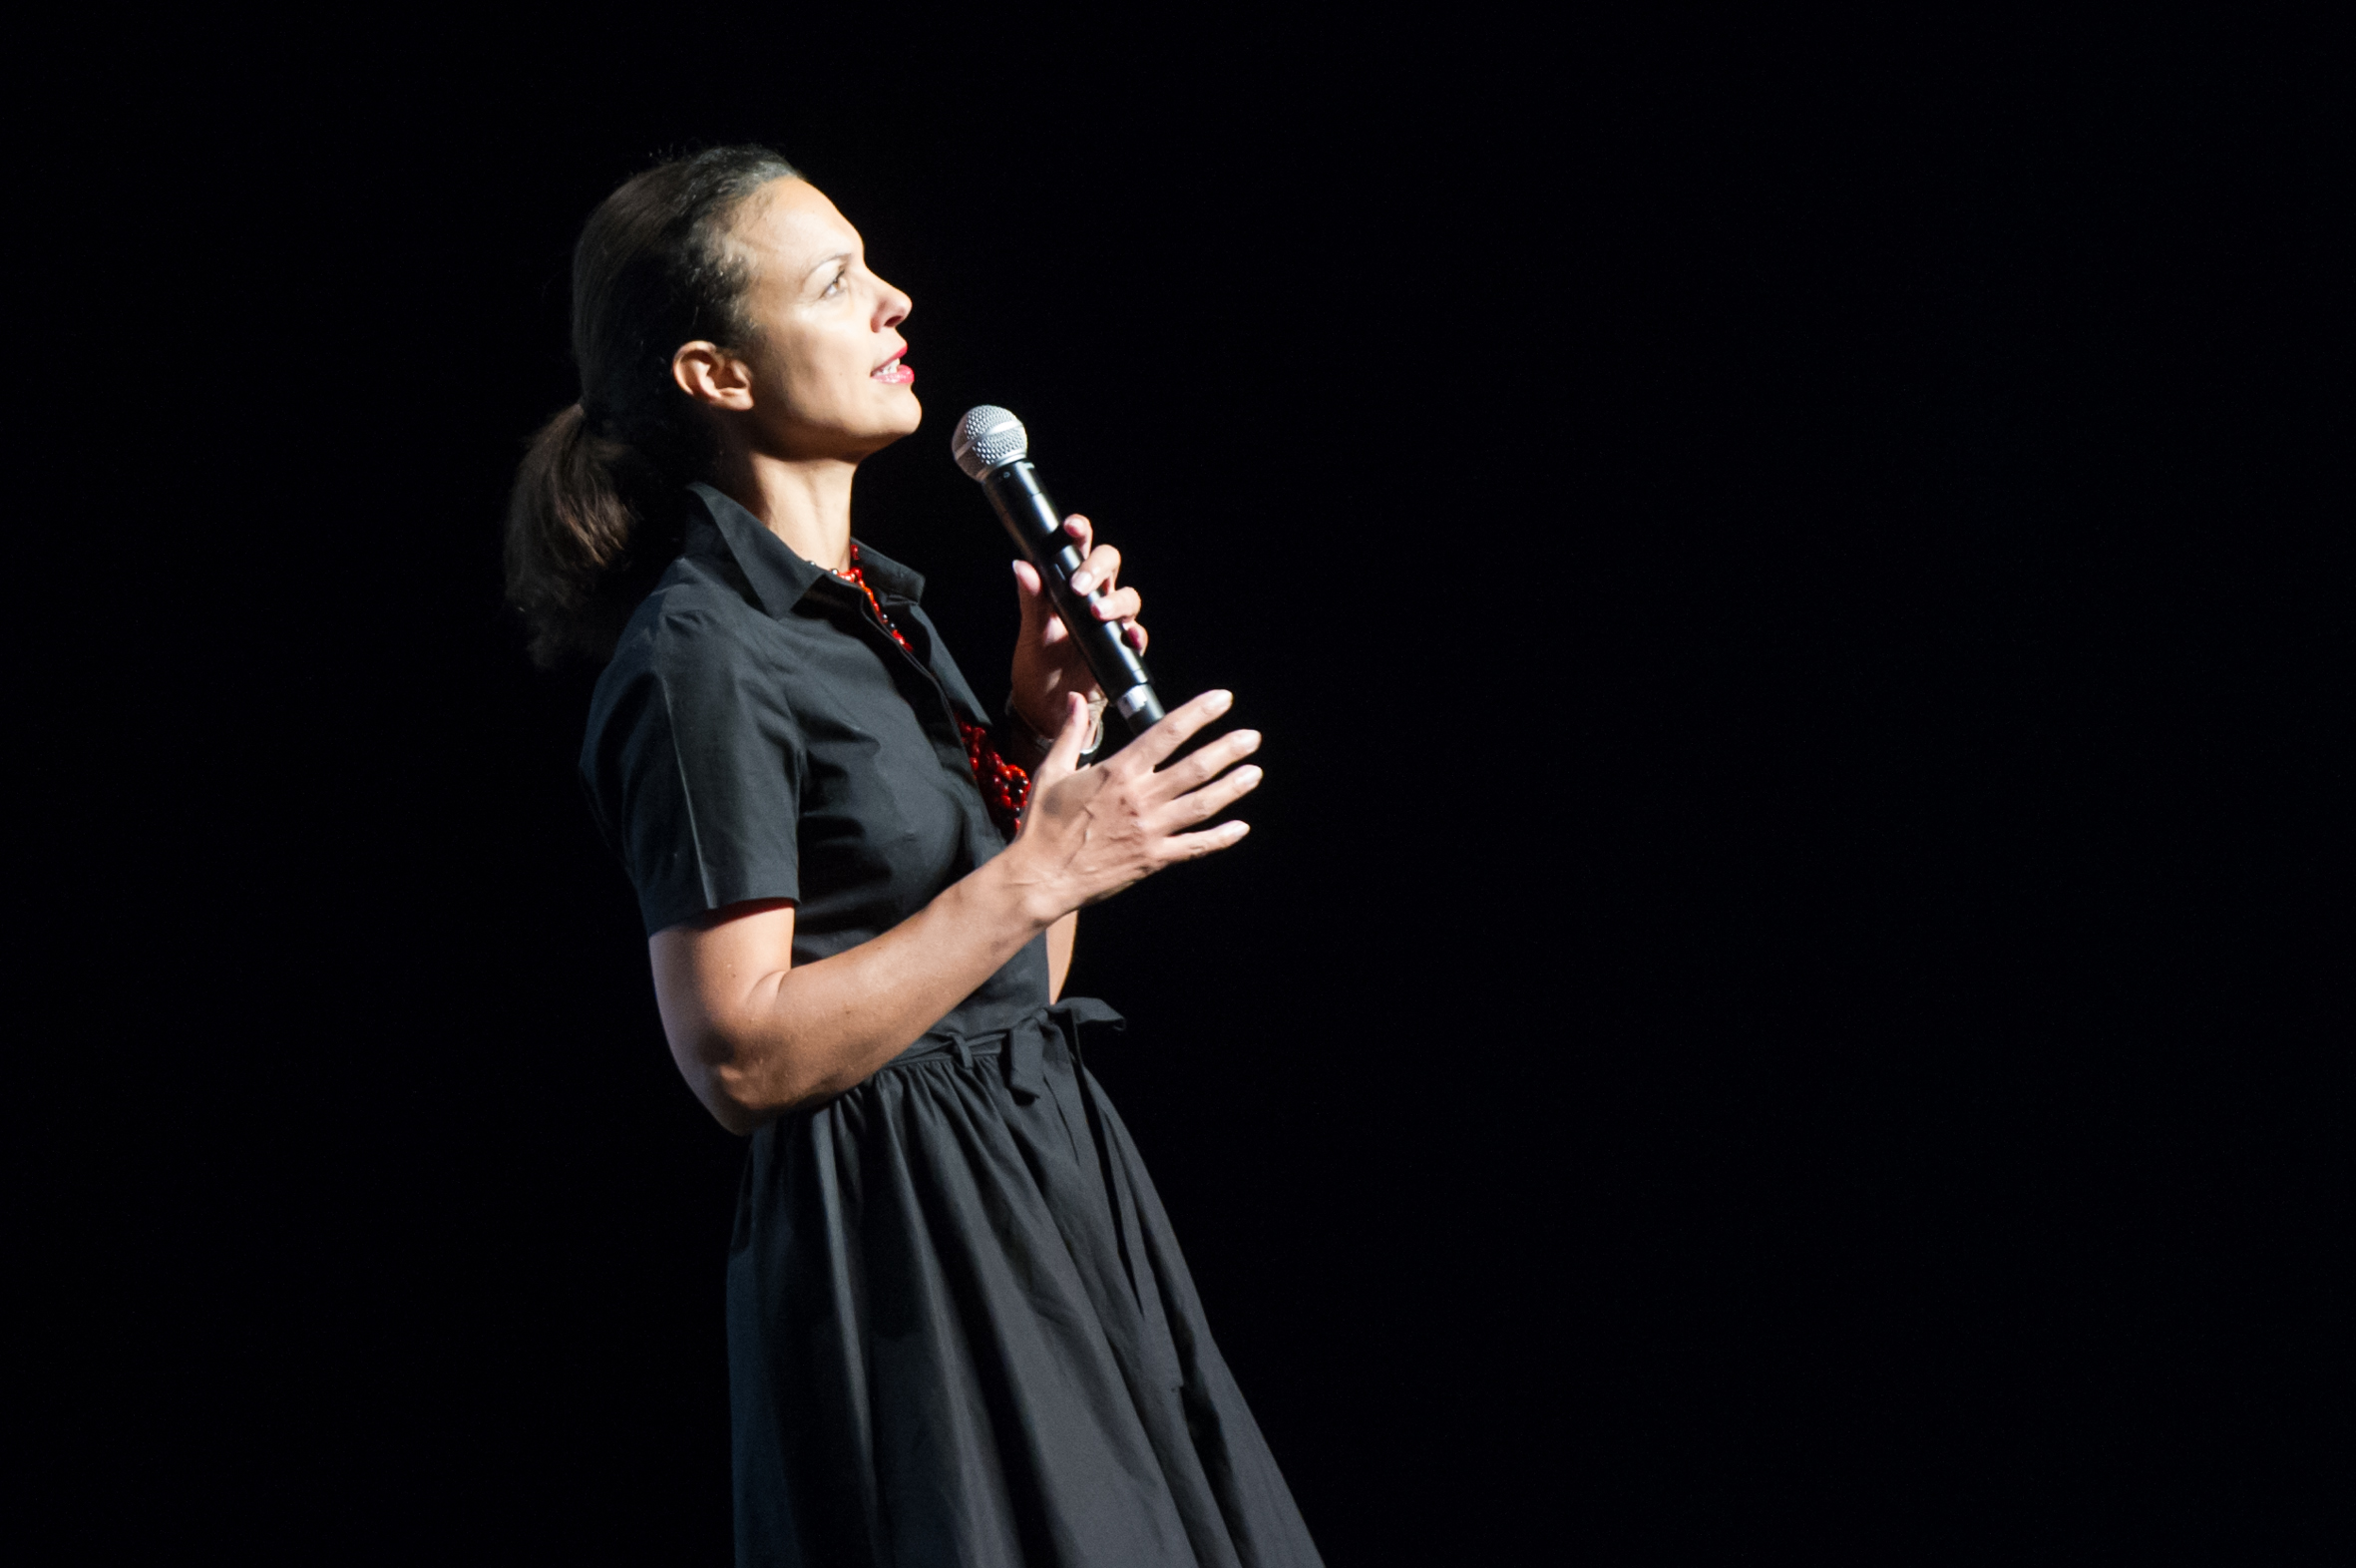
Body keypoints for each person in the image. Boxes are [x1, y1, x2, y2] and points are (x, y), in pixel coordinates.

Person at [505, 146, 1323, 1566]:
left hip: (1048, 1186)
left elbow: (1006, 985)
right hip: (908, 1257)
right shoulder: (702, 657)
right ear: (716, 374)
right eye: (833, 281)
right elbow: (739, 1060)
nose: (892, 300)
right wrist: (1038, 866)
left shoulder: (884, 621)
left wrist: (1038, 743)